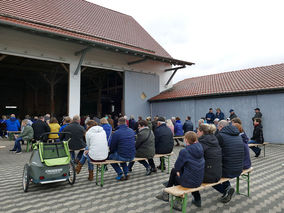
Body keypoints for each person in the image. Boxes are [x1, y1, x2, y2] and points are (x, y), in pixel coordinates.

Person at [156, 131, 204, 211]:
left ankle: (169, 194)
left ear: (186, 140)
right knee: (178, 172)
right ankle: (197, 199)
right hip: (199, 180)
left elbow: (177, 166)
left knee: (174, 173)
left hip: (189, 182)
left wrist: (178, 171)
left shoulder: (184, 151)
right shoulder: (200, 148)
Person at [191, 124, 222, 207]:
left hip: (207, 176)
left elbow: (193, 160)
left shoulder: (201, 142)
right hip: (218, 173)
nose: (196, 132)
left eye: (197, 131)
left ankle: (197, 199)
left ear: (202, 132)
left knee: (188, 173)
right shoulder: (214, 139)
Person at [214, 120, 244, 203]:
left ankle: (225, 190)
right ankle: (228, 187)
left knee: (210, 176)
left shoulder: (220, 135)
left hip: (228, 169)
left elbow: (213, 152)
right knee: (223, 165)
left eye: (218, 127)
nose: (217, 129)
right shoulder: (238, 134)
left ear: (221, 127)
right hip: (239, 168)